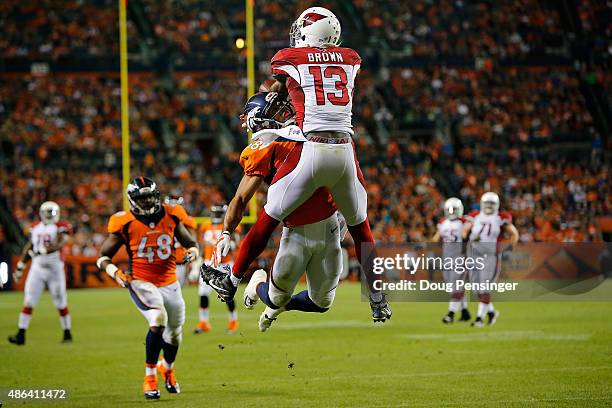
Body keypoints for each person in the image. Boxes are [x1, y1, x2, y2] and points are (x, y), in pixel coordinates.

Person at [201, 7, 391, 323]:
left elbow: (277, 86)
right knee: (361, 227)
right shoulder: (351, 58)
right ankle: (377, 298)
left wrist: (264, 103)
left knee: (269, 215)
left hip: (313, 150)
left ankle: (232, 279)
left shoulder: (289, 60)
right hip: (344, 149)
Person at [96, 177, 199, 400]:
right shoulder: (124, 222)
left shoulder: (171, 214)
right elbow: (103, 257)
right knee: (157, 318)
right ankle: (149, 377)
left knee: (174, 334)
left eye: (151, 196)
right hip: (142, 282)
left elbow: (191, 244)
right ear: (133, 200)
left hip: (170, 282)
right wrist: (115, 273)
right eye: (143, 198)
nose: (148, 201)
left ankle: (167, 368)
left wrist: (192, 253)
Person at [8, 201, 73, 345]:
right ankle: (21, 334)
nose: (50, 216)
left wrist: (45, 250)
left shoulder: (61, 226)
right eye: (47, 213)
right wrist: (20, 266)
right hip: (37, 268)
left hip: (55, 268)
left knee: (60, 301)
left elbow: (61, 242)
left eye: (52, 212)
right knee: (29, 300)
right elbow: (30, 246)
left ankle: (67, 332)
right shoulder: (35, 228)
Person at [463, 192, 519, 327]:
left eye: (491, 204)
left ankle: (479, 318)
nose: (488, 206)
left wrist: (507, 248)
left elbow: (514, 234)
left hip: (490, 256)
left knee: (484, 288)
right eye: (486, 203)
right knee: (476, 290)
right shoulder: (475, 216)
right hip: (475, 254)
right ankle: (491, 313)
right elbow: (464, 231)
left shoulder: (500, 218)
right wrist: (471, 236)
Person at [193, 204, 239, 334]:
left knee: (226, 294)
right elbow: (202, 245)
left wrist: (232, 243)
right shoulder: (206, 226)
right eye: (215, 213)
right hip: (209, 262)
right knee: (203, 293)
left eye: (218, 214)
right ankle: (203, 323)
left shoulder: (228, 225)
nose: (216, 216)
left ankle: (233, 322)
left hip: (224, 264)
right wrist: (198, 261)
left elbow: (235, 243)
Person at [431, 197, 470, 324]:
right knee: (453, 286)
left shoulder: (464, 221)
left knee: (456, 287)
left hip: (460, 258)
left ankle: (451, 313)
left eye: (454, 209)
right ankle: (464, 312)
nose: (452, 212)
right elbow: (436, 239)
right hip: (447, 258)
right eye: (450, 209)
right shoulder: (443, 222)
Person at [164, 195, 197, 287]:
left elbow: (193, 242)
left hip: (180, 259)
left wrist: (193, 262)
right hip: (164, 260)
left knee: (177, 288)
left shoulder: (187, 221)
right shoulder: (161, 221)